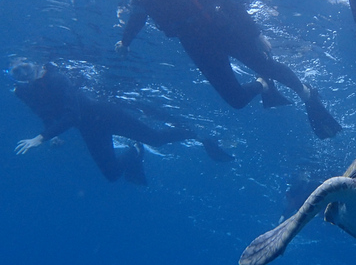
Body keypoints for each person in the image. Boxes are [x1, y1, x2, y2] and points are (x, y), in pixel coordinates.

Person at [114, 0, 341, 139]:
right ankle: (263, 85)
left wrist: (256, 34)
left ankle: (307, 95)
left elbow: (231, 4)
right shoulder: (143, 0)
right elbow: (136, 20)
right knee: (236, 100)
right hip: (197, 47)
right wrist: (124, 42)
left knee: (268, 66)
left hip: (227, 32)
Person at [10, 59, 232, 185]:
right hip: (89, 127)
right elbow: (47, 114)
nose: (22, 73)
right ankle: (135, 151)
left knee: (155, 139)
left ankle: (198, 135)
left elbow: (71, 115)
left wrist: (41, 137)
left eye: (25, 67)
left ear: (36, 64)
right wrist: (54, 134)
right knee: (112, 174)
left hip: (105, 113)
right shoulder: (30, 92)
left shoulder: (57, 78)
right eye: (16, 71)